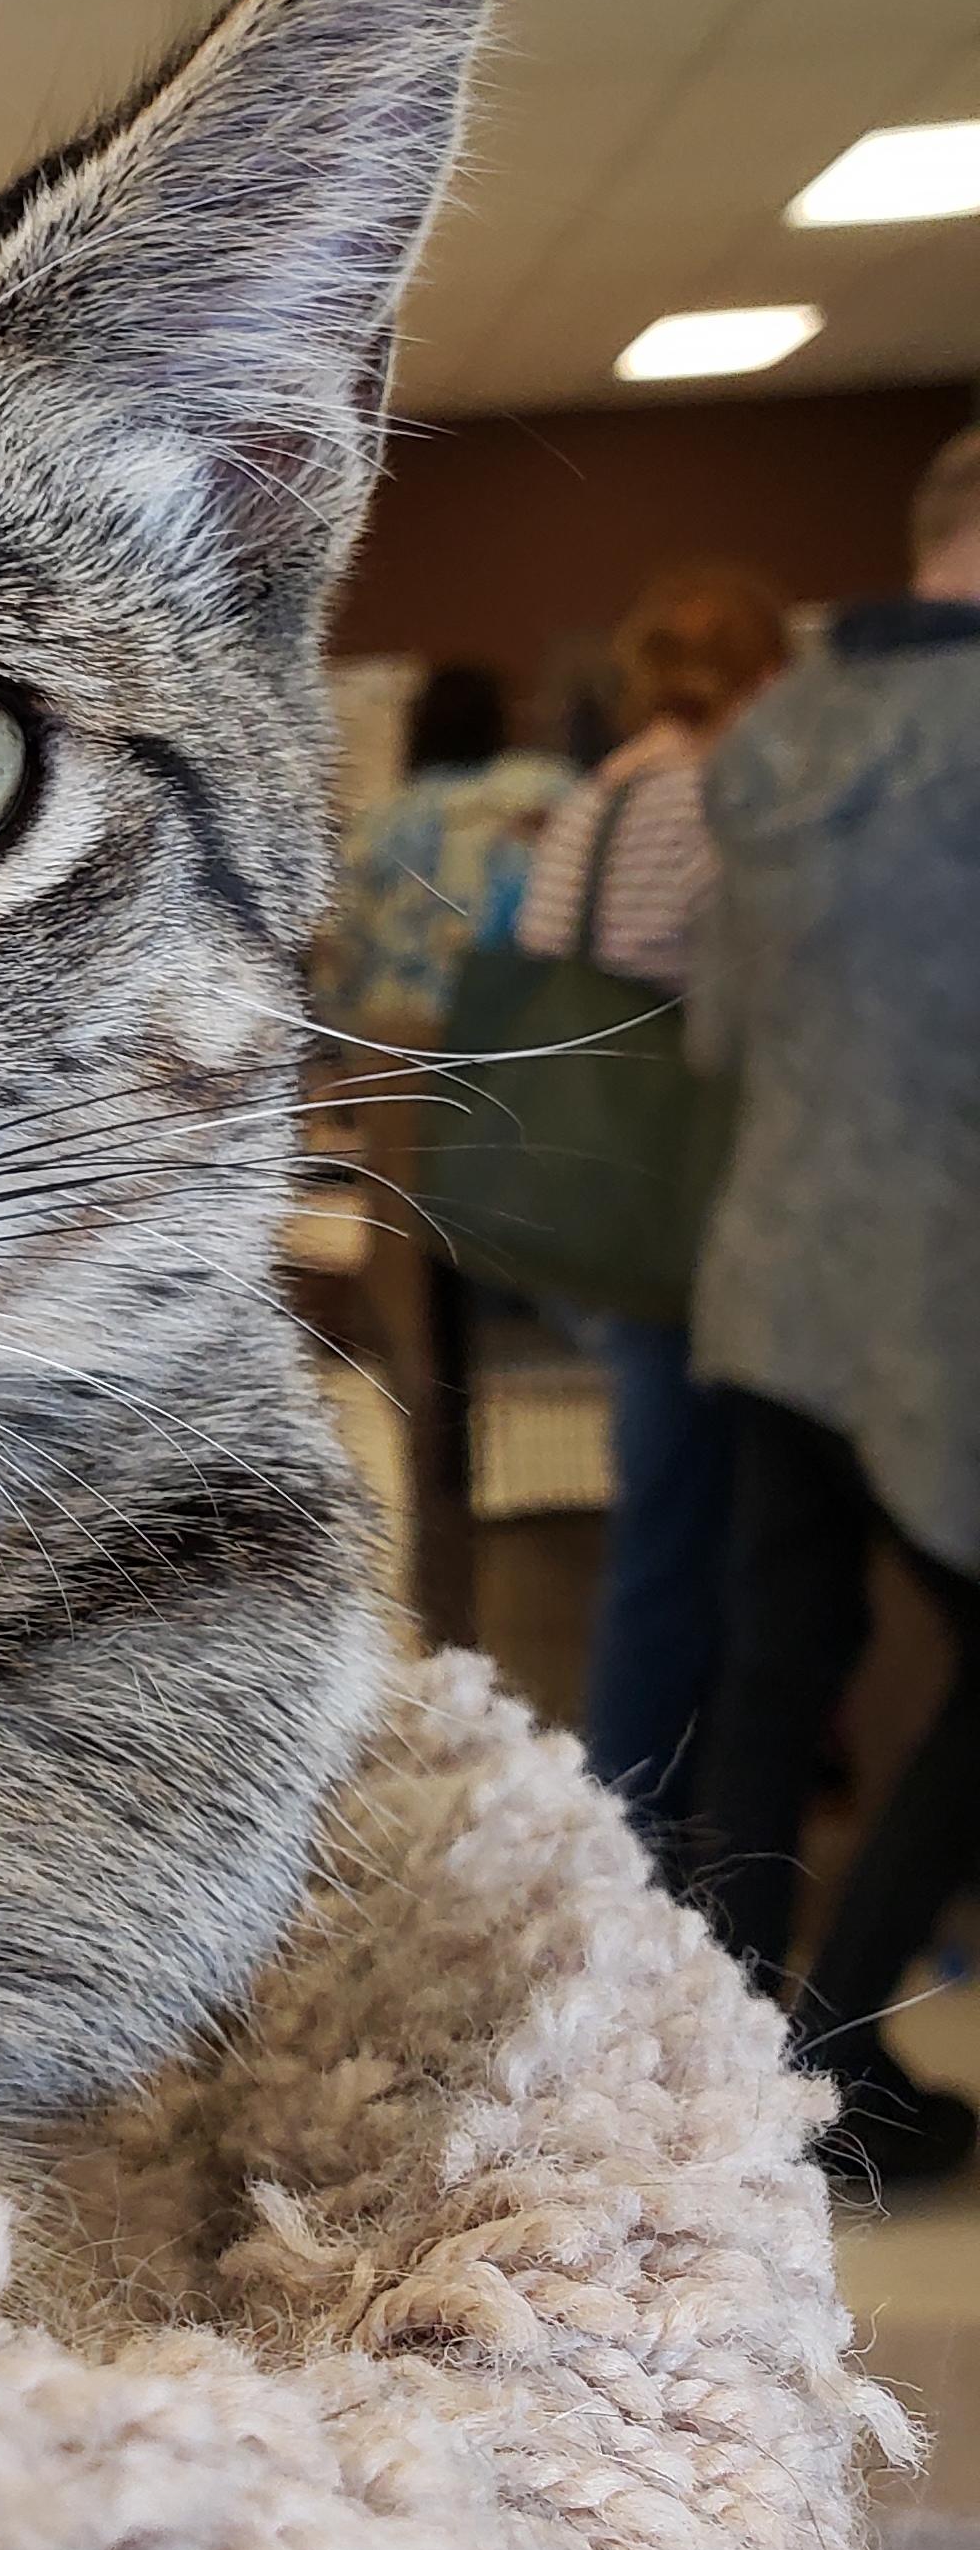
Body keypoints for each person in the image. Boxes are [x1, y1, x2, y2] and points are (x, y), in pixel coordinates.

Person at [686, 425, 980, 2183]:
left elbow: (716, 1032)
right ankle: (844, 2057)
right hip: (938, 1267)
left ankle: (717, 2059)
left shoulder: (771, 734)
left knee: (773, 1657)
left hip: (767, 1254)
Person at [512, 566, 793, 1879]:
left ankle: (632, 1807)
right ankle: (640, 1829)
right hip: (687, 1211)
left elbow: (547, 963)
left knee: (659, 1507)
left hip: (590, 1196)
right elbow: (740, 1009)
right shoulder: (723, 800)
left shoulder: (600, 794)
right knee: (679, 1529)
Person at [323, 665, 571, 1052]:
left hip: (398, 1028)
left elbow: (342, 942)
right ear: (499, 720)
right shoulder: (543, 791)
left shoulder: (383, 821)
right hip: (513, 1022)